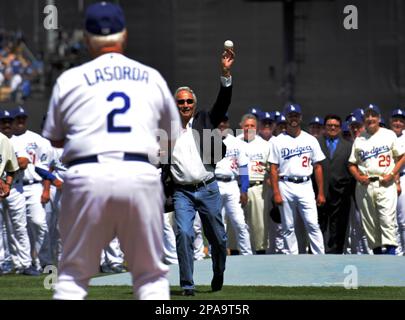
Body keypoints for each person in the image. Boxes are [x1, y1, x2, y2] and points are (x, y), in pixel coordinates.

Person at [42, 2, 181, 299]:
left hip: (86, 174)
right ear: (124, 35)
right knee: (150, 278)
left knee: (72, 278)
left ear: (87, 38)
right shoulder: (151, 77)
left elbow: (53, 139)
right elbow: (172, 137)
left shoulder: (70, 79)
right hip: (139, 173)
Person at [165, 45, 234, 296]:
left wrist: (226, 74)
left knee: (218, 239)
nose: (185, 105)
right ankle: (187, 284)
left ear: (194, 103)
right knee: (183, 233)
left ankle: (218, 271)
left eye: (188, 101)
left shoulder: (205, 119)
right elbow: (157, 162)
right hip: (183, 193)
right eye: (180, 101)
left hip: (208, 188)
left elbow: (223, 102)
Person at [268, 104, 326, 254]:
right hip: (285, 184)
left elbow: (318, 167)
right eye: (290, 115)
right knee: (288, 226)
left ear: (300, 117)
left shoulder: (310, 139)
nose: (293, 118)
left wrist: (320, 192)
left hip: (306, 184)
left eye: (296, 115)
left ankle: (320, 257)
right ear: (286, 118)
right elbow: (273, 169)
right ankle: (291, 259)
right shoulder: (277, 141)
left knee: (312, 223)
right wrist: (276, 193)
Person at [348, 104, 405, 254]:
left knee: (387, 221)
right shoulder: (360, 139)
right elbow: (351, 164)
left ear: (379, 118)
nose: (370, 118)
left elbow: (401, 157)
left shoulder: (389, 134)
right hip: (365, 186)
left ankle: (391, 258)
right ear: (364, 119)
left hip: (385, 183)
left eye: (373, 115)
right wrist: (358, 177)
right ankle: (379, 262)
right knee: (370, 225)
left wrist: (392, 175)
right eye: (367, 116)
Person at [0, 110, 39, 275]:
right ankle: (3, 263)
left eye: (9, 121)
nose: (7, 125)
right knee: (0, 228)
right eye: (3, 122)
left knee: (19, 226)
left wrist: (6, 181)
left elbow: (23, 162)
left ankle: (24, 263)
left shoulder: (16, 141)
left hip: (14, 186)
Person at [317, 114, 355, 254]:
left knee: (339, 228)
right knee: (318, 226)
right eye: (329, 125)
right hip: (319, 193)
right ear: (324, 127)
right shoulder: (316, 143)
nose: (332, 128)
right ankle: (318, 255)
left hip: (340, 195)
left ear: (340, 128)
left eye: (336, 126)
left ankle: (336, 255)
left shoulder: (348, 146)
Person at [215, 115, 252, 255]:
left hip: (231, 184)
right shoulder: (208, 140)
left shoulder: (237, 142)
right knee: (217, 225)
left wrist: (244, 189)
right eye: (219, 122)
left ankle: (247, 255)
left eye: (224, 121)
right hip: (215, 184)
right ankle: (216, 256)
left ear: (228, 123)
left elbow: (243, 168)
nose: (222, 124)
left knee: (240, 223)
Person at [237, 114, 271, 254]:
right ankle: (234, 253)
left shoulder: (265, 145)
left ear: (257, 128)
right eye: (246, 125)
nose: (249, 128)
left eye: (252, 125)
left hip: (258, 187)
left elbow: (271, 168)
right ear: (241, 126)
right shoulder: (234, 142)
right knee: (236, 225)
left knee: (259, 225)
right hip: (237, 187)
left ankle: (260, 254)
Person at [389, 108, 405, 255]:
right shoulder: (386, 136)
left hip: (403, 177)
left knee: (403, 220)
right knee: (391, 220)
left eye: (401, 120)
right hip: (388, 179)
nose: (398, 123)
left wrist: (398, 182)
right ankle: (397, 254)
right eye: (395, 120)